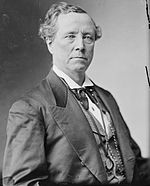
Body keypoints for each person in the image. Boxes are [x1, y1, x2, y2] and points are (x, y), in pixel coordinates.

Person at [2, 2, 150, 186]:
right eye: (70, 36)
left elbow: (135, 166)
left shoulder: (106, 98)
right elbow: (22, 183)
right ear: (50, 43)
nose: (81, 45)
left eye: (88, 37)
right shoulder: (30, 108)